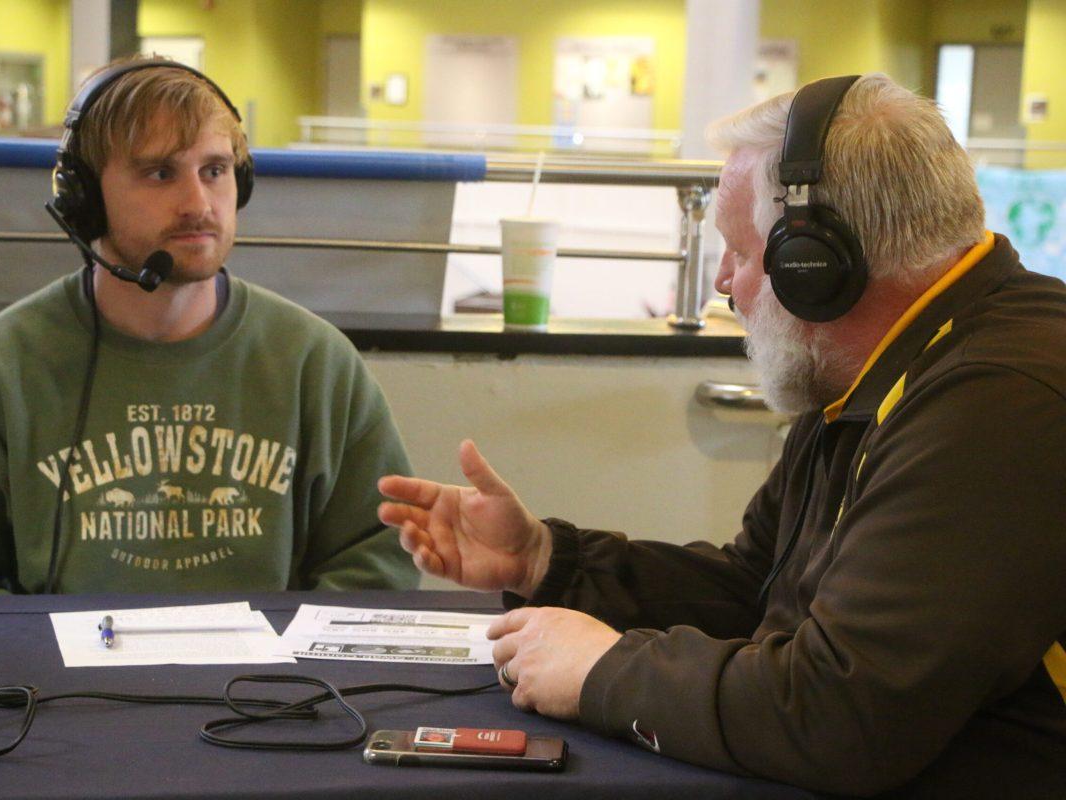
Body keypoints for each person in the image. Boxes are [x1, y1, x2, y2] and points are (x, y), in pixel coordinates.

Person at [378, 73, 1066, 797]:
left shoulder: (999, 405)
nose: (723, 283)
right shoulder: (885, 372)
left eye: (738, 251)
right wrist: (548, 560)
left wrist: (606, 673)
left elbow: (842, 717)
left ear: (815, 266)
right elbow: (754, 588)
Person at [0, 57, 417, 595]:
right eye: (160, 173)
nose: (198, 204)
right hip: (56, 680)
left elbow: (376, 569)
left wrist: (277, 675)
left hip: (269, 682)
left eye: (214, 170)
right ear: (86, 199)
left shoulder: (317, 364)